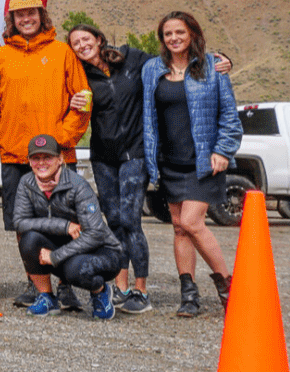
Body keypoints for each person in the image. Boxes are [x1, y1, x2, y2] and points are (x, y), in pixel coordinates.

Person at [70, 21, 231, 314]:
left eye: (86, 39)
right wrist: (72, 101)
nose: (82, 46)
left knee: (132, 220)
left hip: (136, 153)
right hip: (104, 157)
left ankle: (140, 289)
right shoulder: (79, 75)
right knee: (114, 221)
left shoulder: (133, 60)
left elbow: (173, 58)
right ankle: (120, 287)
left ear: (99, 37)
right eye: (75, 43)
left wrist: (219, 58)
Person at [0, 0, 91, 308]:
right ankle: (36, 284)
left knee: (64, 222)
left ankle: (66, 285)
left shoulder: (62, 53)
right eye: (20, 15)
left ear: (41, 16)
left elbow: (83, 98)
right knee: (24, 224)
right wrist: (4, 137)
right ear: (12, 20)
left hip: (56, 158)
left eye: (31, 13)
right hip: (16, 155)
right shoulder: (0, 57)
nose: (26, 19)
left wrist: (63, 139)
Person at [142, 10, 241, 318]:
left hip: (203, 160)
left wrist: (223, 150)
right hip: (167, 160)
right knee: (179, 229)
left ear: (193, 35)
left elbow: (229, 116)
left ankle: (229, 288)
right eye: (168, 34)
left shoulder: (213, 67)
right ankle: (189, 295)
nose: (174, 39)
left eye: (180, 33)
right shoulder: (151, 69)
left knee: (191, 222)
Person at [13, 134, 126, 319]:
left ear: (60, 159)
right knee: (29, 239)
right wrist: (64, 226)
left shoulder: (78, 185)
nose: (41, 163)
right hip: (67, 245)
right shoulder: (27, 182)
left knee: (74, 270)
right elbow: (20, 222)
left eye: (47, 157)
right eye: (36, 158)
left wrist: (55, 256)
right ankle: (47, 298)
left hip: (102, 252)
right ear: (29, 161)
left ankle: (101, 291)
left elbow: (95, 234)